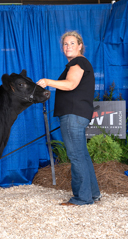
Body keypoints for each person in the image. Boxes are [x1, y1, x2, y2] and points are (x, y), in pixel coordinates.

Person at [37, 31, 101, 206]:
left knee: (76, 156)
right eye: (65, 44)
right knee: (82, 156)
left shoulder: (79, 62)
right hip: (77, 114)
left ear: (80, 45)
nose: (68, 47)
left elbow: (71, 84)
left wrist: (47, 81)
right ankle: (93, 194)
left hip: (74, 115)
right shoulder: (76, 64)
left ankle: (82, 198)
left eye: (72, 43)